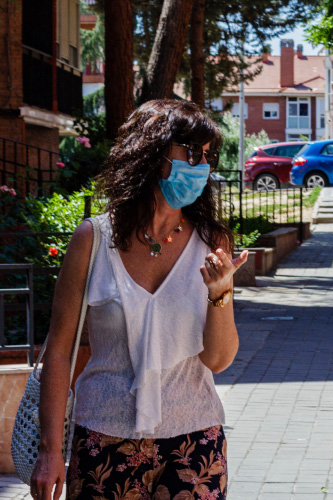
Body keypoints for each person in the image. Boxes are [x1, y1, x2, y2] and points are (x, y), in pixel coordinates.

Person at [30, 99, 249, 500]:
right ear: (152, 153)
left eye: (207, 156)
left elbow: (217, 360)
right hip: (103, 439)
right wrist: (49, 451)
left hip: (194, 439)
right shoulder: (93, 241)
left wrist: (219, 294)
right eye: (190, 152)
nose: (201, 165)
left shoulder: (211, 242)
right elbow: (59, 351)